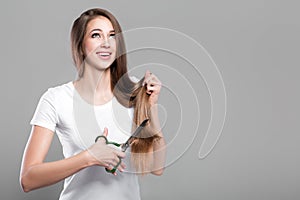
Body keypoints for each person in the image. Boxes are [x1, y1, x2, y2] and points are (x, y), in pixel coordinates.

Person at [20, 8, 166, 200]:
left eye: (112, 36)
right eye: (96, 35)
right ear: (81, 45)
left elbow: (156, 167)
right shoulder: (56, 99)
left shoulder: (134, 92)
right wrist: (88, 158)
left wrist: (152, 105)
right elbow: (28, 180)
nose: (106, 43)